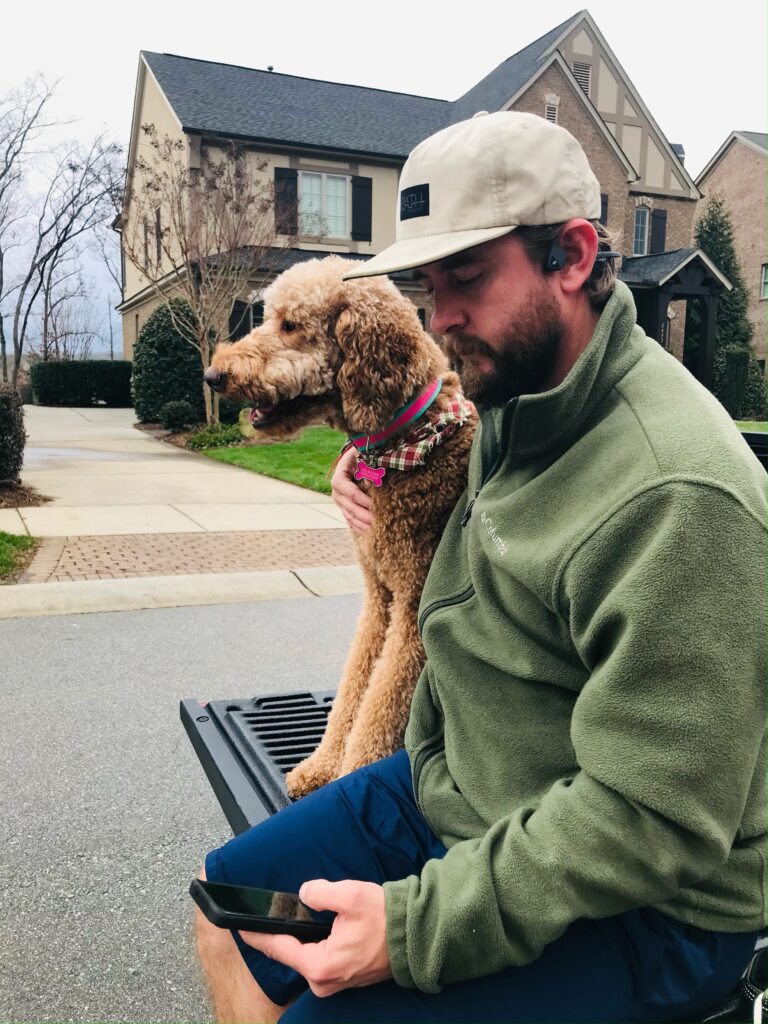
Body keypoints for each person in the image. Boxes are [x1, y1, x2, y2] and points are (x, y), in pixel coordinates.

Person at [195, 112, 766, 1023]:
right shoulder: (514, 397)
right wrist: (364, 456)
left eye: (465, 278)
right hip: (460, 782)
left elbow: (653, 821)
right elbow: (426, 441)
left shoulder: (679, 494)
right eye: (427, 284)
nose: (440, 318)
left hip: (653, 908)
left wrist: (414, 927)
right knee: (223, 908)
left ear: (572, 256)